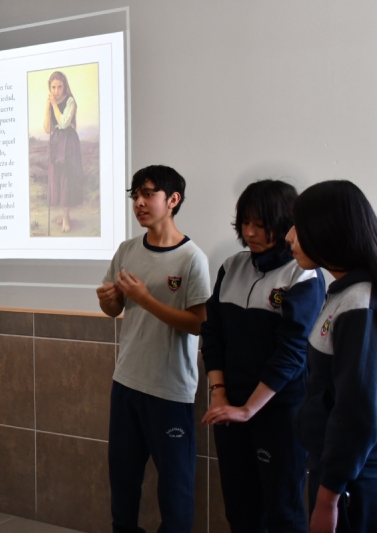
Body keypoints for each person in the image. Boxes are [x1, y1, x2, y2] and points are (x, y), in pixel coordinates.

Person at [201, 180, 325, 532]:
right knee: (240, 509)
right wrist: (220, 393)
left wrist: (248, 409)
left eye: (261, 224)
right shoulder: (231, 267)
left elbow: (291, 353)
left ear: (286, 224)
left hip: (278, 412)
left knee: (282, 512)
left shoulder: (303, 274)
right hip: (230, 407)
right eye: (245, 223)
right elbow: (213, 333)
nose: (251, 232)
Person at [96, 165, 211, 533]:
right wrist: (109, 300)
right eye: (135, 196)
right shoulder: (127, 250)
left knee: (175, 494)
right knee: (124, 485)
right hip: (127, 382)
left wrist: (144, 299)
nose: (139, 203)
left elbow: (198, 322)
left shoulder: (192, 258)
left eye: (148, 194)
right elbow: (113, 310)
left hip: (170, 390)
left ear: (172, 200)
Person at [287, 180, 377, 533]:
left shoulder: (360, 303)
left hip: (350, 481)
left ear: (327, 231)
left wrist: (328, 498)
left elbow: (357, 411)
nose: (289, 237)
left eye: (299, 227)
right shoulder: (343, 292)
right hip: (333, 473)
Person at [43, 70, 83, 233]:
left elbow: (64, 123)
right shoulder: (51, 102)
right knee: (57, 177)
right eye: (53, 87)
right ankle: (64, 215)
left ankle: (67, 218)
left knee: (67, 177)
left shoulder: (70, 101)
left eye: (59, 87)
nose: (56, 91)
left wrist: (53, 105)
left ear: (65, 86)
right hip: (57, 141)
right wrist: (48, 107)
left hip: (68, 143)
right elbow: (47, 129)